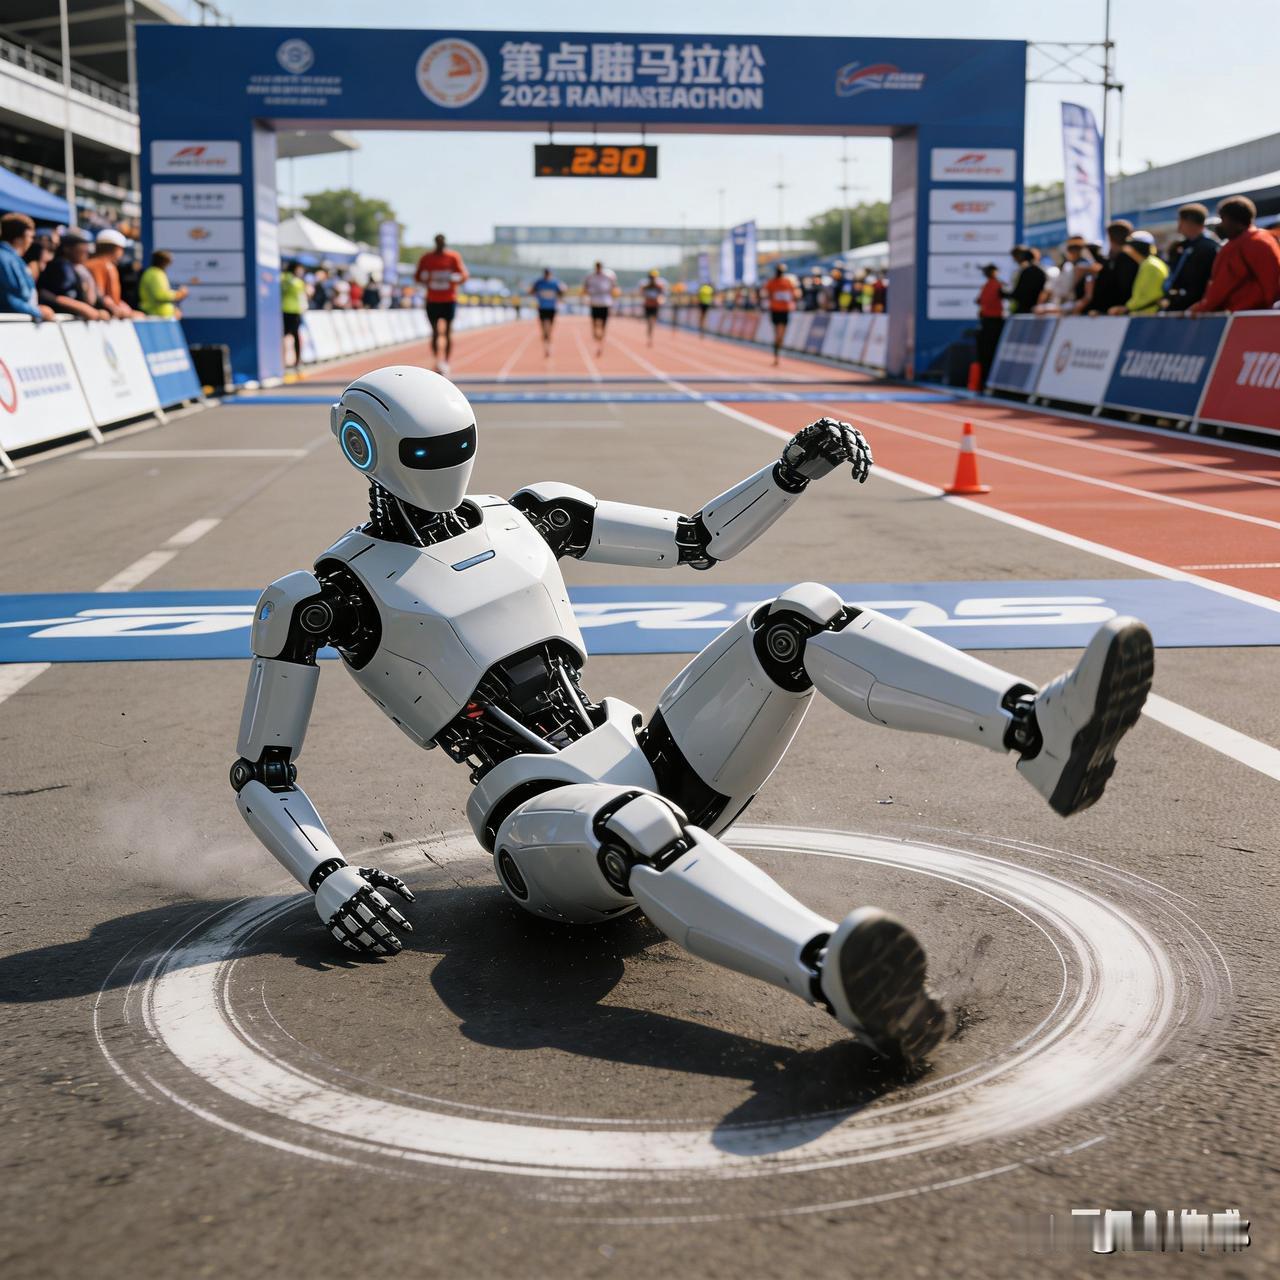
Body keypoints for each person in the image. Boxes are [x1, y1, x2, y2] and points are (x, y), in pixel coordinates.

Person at [232, 366, 1154, 1069]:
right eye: (429, 451)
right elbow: (263, 772)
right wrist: (328, 877)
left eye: (457, 444)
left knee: (798, 619)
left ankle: (1038, 732)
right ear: (365, 449)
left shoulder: (531, 516)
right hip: (538, 822)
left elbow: (696, 539)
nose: (448, 464)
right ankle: (835, 974)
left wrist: (789, 471)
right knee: (637, 823)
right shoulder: (321, 596)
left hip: (645, 754)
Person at [1190, 196, 1280, 315]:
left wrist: (1200, 309)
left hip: (1240, 316)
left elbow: (1220, 288)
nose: (1221, 225)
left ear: (1231, 219)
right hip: (1265, 313)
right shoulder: (1265, 238)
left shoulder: (1237, 246)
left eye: (1222, 219)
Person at [414, 233, 469, 376]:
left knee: (448, 332)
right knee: (434, 332)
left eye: (442, 243)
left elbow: (464, 275)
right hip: (432, 299)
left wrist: (454, 279)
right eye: (438, 242)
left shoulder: (453, 257)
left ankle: (446, 361)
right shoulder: (427, 258)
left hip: (449, 299)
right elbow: (417, 276)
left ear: (444, 243)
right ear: (435, 243)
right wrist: (427, 279)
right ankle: (436, 360)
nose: (440, 245)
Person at [38, 230, 109, 320]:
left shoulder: (79, 269)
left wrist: (103, 308)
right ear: (67, 248)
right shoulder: (61, 265)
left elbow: (91, 298)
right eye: (82, 247)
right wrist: (81, 307)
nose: (87, 251)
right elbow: (45, 293)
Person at [1163, 204, 1219, 312]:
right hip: (1178, 306)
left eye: (1180, 222)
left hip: (1195, 310)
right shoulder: (1181, 246)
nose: (1178, 226)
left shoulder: (1209, 247)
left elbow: (1203, 283)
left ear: (1189, 222)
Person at [0, 212, 53, 320]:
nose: (31, 241)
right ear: (21, 236)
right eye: (30, 237)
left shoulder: (12, 259)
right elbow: (7, 298)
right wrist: (38, 312)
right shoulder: (5, 259)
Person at [1107, 231, 1168, 316]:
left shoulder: (1150, 266)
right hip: (1145, 316)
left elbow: (1148, 297)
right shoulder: (1149, 264)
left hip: (1147, 317)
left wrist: (1126, 308)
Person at [1085, 220, 1139, 314]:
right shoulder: (1135, 258)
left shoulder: (1122, 260)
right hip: (1122, 311)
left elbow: (1119, 288)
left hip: (1118, 313)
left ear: (1109, 237)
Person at [86, 229, 140, 318]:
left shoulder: (89, 263)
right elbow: (101, 296)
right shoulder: (105, 266)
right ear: (116, 249)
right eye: (121, 249)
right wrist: (120, 310)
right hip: (104, 315)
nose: (122, 253)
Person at [761, 261, 799, 366]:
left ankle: (777, 353)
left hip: (784, 310)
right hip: (776, 310)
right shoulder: (772, 282)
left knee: (780, 336)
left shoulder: (787, 282)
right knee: (778, 335)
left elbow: (795, 294)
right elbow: (765, 293)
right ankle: (777, 355)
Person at [975, 263, 1005, 384]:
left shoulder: (990, 285)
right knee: (990, 352)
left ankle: (985, 380)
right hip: (992, 322)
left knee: (986, 352)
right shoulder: (995, 285)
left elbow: (979, 301)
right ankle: (987, 380)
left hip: (989, 322)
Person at [582, 260, 618, 357]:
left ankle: (601, 341)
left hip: (605, 303)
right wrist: (585, 295)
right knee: (594, 323)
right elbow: (585, 287)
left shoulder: (609, 275)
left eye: (599, 266)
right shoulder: (590, 276)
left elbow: (614, 287)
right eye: (597, 266)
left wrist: (614, 297)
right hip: (594, 303)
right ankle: (596, 334)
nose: (598, 268)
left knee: (603, 324)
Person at [138, 250, 188, 319]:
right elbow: (160, 295)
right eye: (168, 263)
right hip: (157, 317)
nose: (169, 265)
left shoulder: (154, 272)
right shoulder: (155, 274)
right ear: (164, 262)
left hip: (160, 316)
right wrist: (179, 294)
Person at [529, 268, 564, 358]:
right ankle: (546, 346)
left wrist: (561, 293)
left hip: (552, 308)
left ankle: (548, 343)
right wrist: (536, 295)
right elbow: (531, 291)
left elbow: (561, 292)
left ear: (550, 274)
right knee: (544, 328)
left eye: (548, 274)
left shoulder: (555, 283)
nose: (547, 275)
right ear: (544, 274)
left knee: (549, 329)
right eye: (546, 274)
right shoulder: (539, 282)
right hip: (542, 308)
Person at [281, 260, 308, 367]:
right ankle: (296, 360)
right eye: (300, 269)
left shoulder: (282, 278)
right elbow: (303, 296)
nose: (301, 271)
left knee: (285, 335)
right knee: (295, 335)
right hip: (293, 311)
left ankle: (284, 360)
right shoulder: (297, 282)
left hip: (284, 310)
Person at [1006, 246, 1046, 314]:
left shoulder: (1027, 271)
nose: (1014, 260)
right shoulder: (1025, 270)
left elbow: (1020, 292)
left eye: (1014, 257)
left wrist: (1004, 293)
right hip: (1027, 308)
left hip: (1026, 309)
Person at [640, 268, 667, 347]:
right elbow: (642, 293)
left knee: (652, 322)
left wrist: (660, 300)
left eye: (654, 277)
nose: (652, 279)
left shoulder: (659, 286)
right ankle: (649, 337)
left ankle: (650, 336)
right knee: (649, 322)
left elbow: (662, 294)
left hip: (655, 306)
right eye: (651, 277)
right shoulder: (645, 285)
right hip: (648, 306)